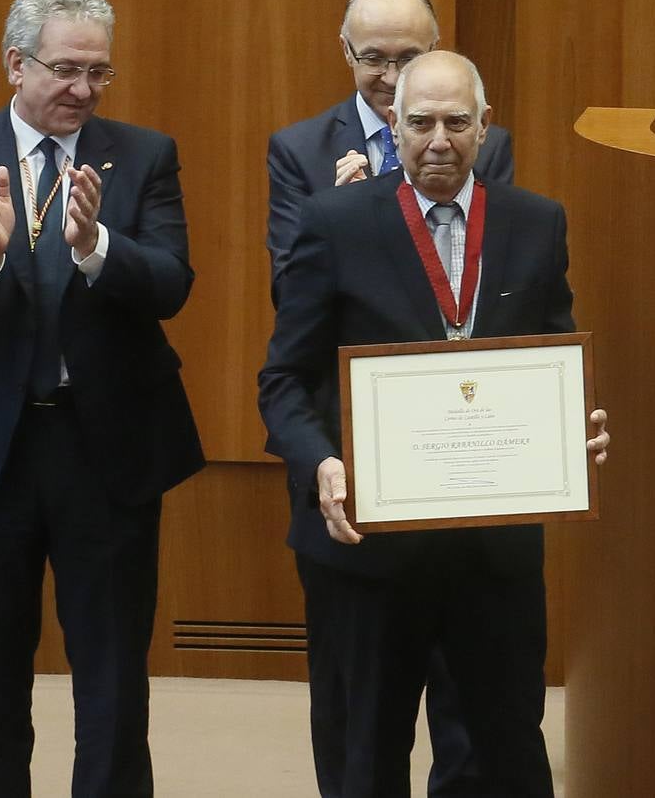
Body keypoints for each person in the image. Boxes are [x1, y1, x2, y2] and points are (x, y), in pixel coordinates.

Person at [259, 50, 609, 797]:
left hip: (494, 556)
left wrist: (576, 430)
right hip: (371, 553)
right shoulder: (335, 223)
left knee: (508, 752)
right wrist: (319, 461)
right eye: (420, 124)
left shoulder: (536, 224)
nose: (438, 140)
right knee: (368, 756)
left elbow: (554, 356)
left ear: (485, 129)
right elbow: (283, 380)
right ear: (394, 125)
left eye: (457, 122)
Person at [0, 0, 204, 797]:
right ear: (15, 64)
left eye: (100, 73)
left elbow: (172, 285)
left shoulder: (143, 155)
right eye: (67, 69)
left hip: (108, 450)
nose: (84, 90)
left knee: (111, 676)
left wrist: (99, 243)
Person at [266, 0, 514, 301]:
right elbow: (288, 293)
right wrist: (341, 221)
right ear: (347, 51)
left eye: (410, 58)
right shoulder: (300, 152)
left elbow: (500, 279)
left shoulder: (484, 146)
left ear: (434, 50)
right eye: (373, 59)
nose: (393, 78)